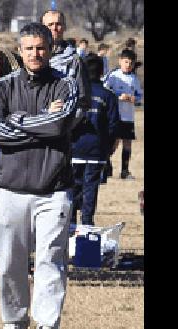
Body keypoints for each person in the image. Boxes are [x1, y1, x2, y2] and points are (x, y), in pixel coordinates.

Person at [0, 22, 80, 329]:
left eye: (41, 47)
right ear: (20, 50)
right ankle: (13, 322)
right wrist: (38, 121)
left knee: (50, 259)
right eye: (29, 48)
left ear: (50, 49)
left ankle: (47, 327)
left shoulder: (66, 85)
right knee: (10, 260)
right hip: (11, 189)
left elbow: (60, 124)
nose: (35, 53)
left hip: (54, 190)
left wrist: (18, 119)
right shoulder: (2, 87)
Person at [69, 55, 119, 225]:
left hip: (75, 148)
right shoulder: (109, 96)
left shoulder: (74, 92)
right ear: (102, 71)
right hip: (97, 150)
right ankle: (87, 224)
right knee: (90, 188)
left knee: (73, 188)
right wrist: (109, 148)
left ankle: (71, 225)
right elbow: (113, 126)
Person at [41, 10, 92, 124]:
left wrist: (65, 127)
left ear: (64, 27)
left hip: (64, 129)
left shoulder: (75, 60)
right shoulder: (32, 58)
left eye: (58, 24)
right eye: (50, 24)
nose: (54, 28)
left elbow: (83, 101)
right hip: (35, 127)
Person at [104, 49, 142, 180]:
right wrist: (119, 97)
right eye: (126, 62)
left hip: (128, 116)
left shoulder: (134, 79)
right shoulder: (113, 76)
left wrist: (134, 99)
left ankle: (125, 171)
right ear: (120, 61)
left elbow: (139, 95)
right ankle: (105, 165)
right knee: (113, 143)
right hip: (115, 115)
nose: (128, 65)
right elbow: (106, 91)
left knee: (127, 143)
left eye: (131, 63)